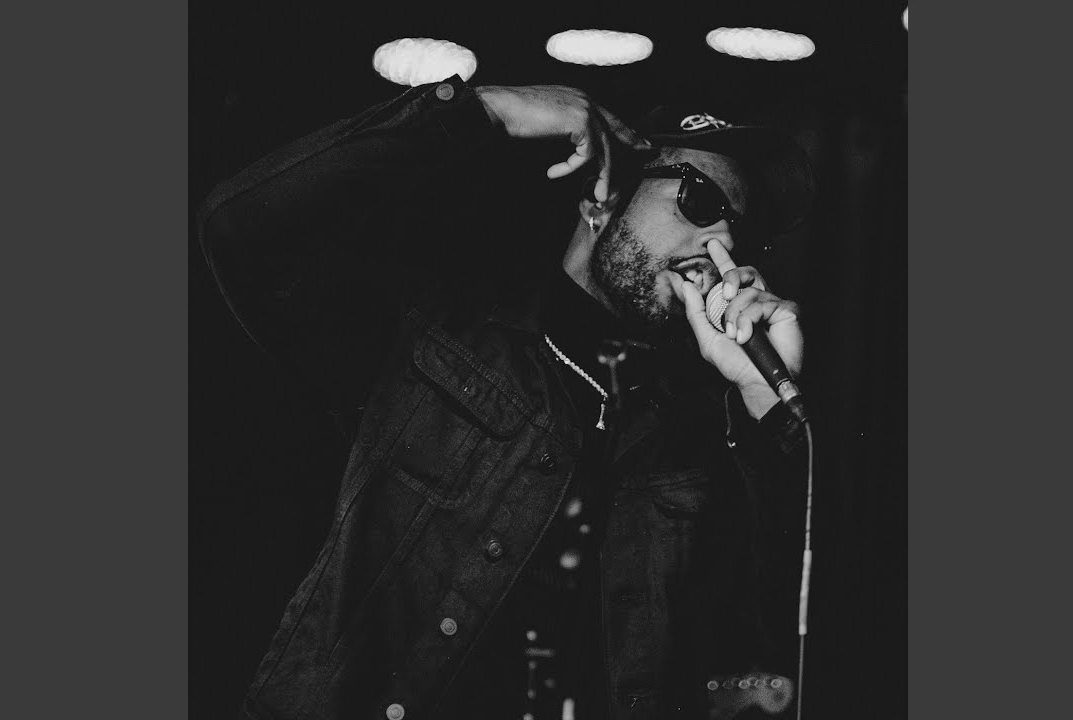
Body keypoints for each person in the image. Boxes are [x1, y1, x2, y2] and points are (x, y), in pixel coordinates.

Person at [198, 75, 816, 720]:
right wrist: (477, 110)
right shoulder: (437, 336)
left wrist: (765, 400)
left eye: (745, 232)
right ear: (600, 197)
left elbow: (779, 642)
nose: (722, 246)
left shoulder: (705, 438)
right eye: (699, 198)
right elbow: (240, 228)